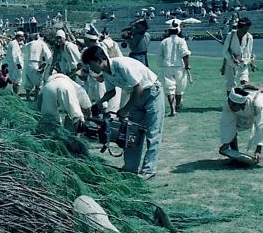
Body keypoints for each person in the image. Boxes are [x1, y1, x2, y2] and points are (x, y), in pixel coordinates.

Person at [82, 46, 165, 179]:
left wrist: (125, 109)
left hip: (152, 93)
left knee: (153, 133)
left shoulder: (121, 65)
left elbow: (139, 88)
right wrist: (97, 104)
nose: (91, 69)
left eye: (91, 65)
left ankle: (148, 171)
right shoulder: (107, 73)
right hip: (136, 97)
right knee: (131, 134)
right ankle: (130, 168)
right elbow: (111, 92)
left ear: (98, 60)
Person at [220, 87, 263, 170]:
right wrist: (226, 143)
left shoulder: (258, 104)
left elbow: (262, 125)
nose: (230, 106)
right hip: (249, 110)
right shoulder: (229, 103)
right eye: (229, 103)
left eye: (233, 105)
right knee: (233, 126)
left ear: (242, 104)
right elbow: (227, 124)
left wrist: (258, 149)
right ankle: (235, 157)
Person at [158, 21, 191, 116]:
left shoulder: (164, 42)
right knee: (179, 88)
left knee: (169, 88)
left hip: (167, 67)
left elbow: (159, 56)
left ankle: (173, 109)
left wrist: (162, 65)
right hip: (179, 67)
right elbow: (185, 54)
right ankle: (177, 105)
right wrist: (187, 65)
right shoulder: (181, 41)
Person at [221, 17, 254, 91]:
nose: (246, 32)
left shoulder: (249, 37)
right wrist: (232, 58)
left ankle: (244, 100)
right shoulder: (231, 35)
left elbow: (248, 52)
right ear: (239, 28)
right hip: (230, 64)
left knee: (244, 81)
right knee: (230, 84)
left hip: (243, 64)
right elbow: (225, 51)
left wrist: (244, 60)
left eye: (247, 29)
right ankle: (230, 100)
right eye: (244, 30)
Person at [4, 31, 25, 96]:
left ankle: (15, 94)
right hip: (16, 65)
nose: (23, 38)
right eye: (22, 36)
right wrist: (18, 64)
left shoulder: (12, 43)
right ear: (19, 36)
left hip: (12, 64)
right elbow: (15, 55)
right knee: (17, 80)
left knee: (14, 80)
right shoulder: (15, 44)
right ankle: (16, 94)